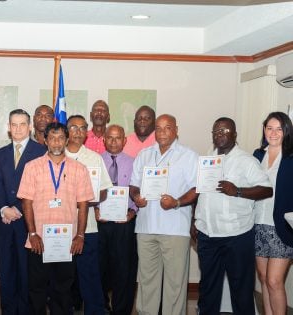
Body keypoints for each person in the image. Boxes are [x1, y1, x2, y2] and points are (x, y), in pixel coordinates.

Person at [195, 117, 272, 315]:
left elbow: (267, 190)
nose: (219, 134)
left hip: (236, 236)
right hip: (207, 234)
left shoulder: (246, 161)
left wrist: (237, 191)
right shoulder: (207, 160)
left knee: (241, 291)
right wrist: (195, 221)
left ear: (235, 135)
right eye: (216, 131)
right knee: (208, 290)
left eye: (225, 131)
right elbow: (199, 193)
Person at [18, 122, 94, 315]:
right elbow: (26, 203)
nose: (57, 142)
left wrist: (80, 236)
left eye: (61, 137)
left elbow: (84, 205)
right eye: (52, 137)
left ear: (67, 139)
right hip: (38, 240)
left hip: (66, 241)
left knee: (63, 290)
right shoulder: (31, 167)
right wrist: (32, 233)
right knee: (37, 290)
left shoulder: (80, 169)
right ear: (45, 141)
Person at [129, 114, 198, 315]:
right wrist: (136, 197)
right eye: (158, 128)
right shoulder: (144, 154)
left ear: (176, 129)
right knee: (147, 280)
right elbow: (134, 185)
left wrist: (176, 202)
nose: (162, 132)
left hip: (175, 228)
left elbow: (196, 188)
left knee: (175, 283)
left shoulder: (188, 155)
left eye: (167, 128)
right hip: (146, 227)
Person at [0, 109, 46, 315]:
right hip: (5, 221)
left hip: (28, 221)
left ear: (30, 127)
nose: (18, 129)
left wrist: (18, 207)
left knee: (26, 271)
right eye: (14, 125)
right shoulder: (1, 153)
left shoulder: (40, 151)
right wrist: (4, 208)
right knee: (6, 269)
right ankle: (8, 309)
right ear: (8, 127)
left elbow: (41, 186)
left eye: (22, 124)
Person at [65, 115, 112, 315]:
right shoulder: (55, 154)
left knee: (90, 277)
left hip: (88, 229)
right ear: (67, 130)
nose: (77, 132)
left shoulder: (94, 158)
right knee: (62, 279)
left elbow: (103, 190)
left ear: (87, 132)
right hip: (61, 227)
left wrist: (85, 200)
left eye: (82, 128)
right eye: (73, 127)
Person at [253, 112, 293, 315]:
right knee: (262, 278)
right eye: (269, 128)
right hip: (257, 225)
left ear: (286, 131)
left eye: (279, 128)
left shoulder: (291, 158)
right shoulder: (257, 155)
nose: (274, 133)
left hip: (282, 228)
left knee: (274, 280)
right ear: (264, 130)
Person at [99, 124, 138, 315]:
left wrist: (133, 212)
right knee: (100, 268)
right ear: (104, 139)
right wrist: (94, 211)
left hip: (125, 224)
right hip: (100, 223)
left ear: (125, 140)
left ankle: (121, 310)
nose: (114, 142)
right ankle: (102, 306)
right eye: (110, 138)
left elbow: (140, 190)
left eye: (118, 138)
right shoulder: (95, 162)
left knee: (124, 270)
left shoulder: (135, 163)